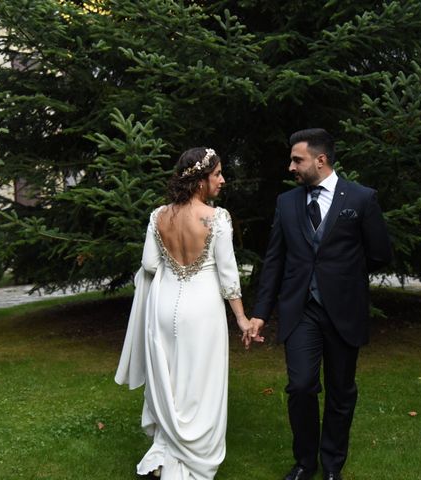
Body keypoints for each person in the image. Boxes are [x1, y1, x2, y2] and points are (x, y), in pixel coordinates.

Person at [250, 129, 392, 480]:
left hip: (344, 310)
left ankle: (331, 467)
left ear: (320, 160)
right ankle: (304, 463)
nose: (291, 167)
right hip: (301, 311)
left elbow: (379, 254)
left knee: (341, 392)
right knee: (300, 386)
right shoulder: (287, 203)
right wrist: (259, 314)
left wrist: (344, 277)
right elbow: (274, 262)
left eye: (297, 160)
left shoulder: (361, 199)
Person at [115, 147, 260, 480]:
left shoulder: (158, 216)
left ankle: (167, 453)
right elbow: (228, 274)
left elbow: (150, 265)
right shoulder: (216, 218)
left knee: (170, 382)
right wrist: (241, 318)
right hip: (202, 310)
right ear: (200, 181)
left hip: (164, 308)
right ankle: (193, 461)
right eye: (217, 174)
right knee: (200, 384)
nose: (223, 180)